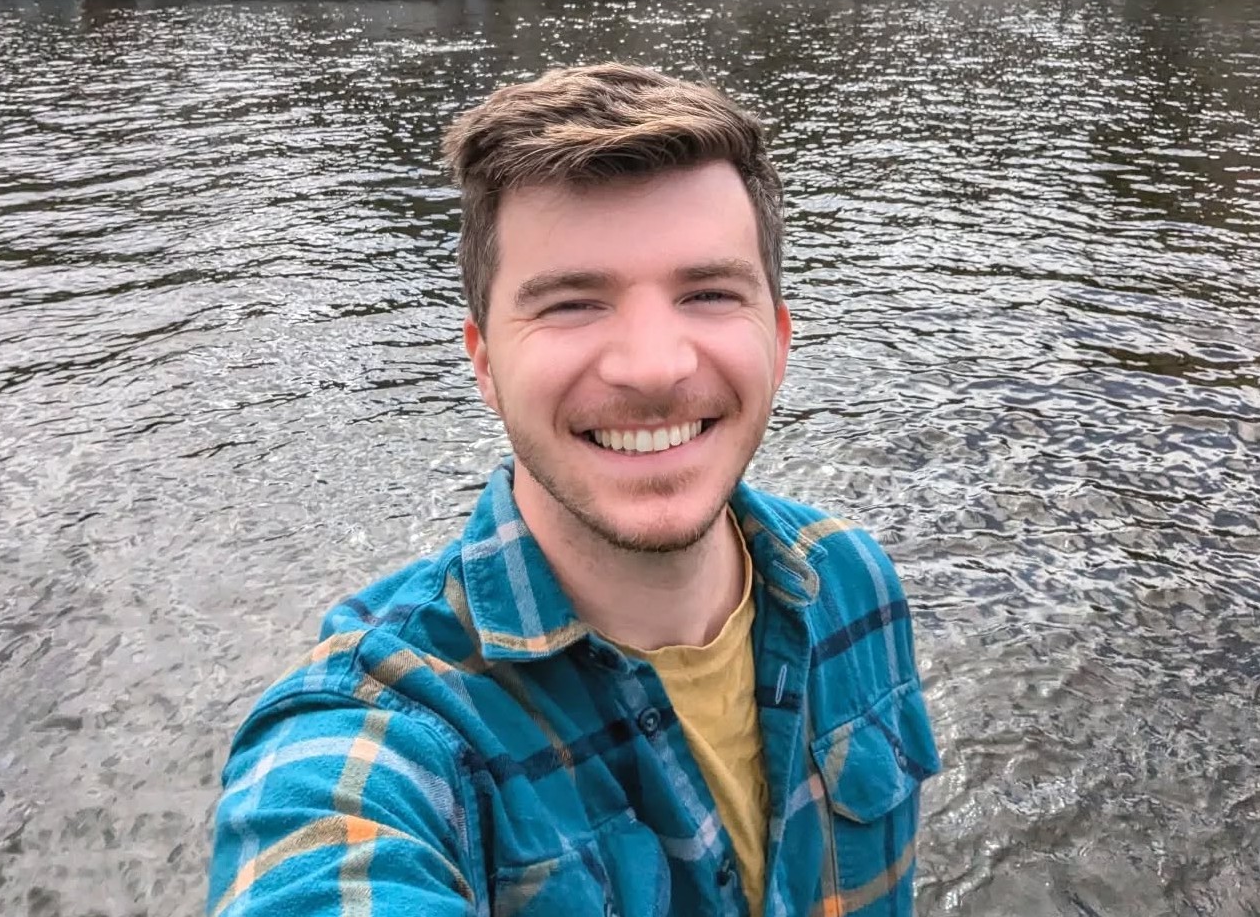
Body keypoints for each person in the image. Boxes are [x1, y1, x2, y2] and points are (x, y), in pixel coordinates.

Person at [206, 63, 939, 917]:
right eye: (570, 304)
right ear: (484, 362)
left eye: (707, 292)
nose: (652, 366)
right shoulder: (387, 727)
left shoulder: (853, 578)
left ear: (775, 339)